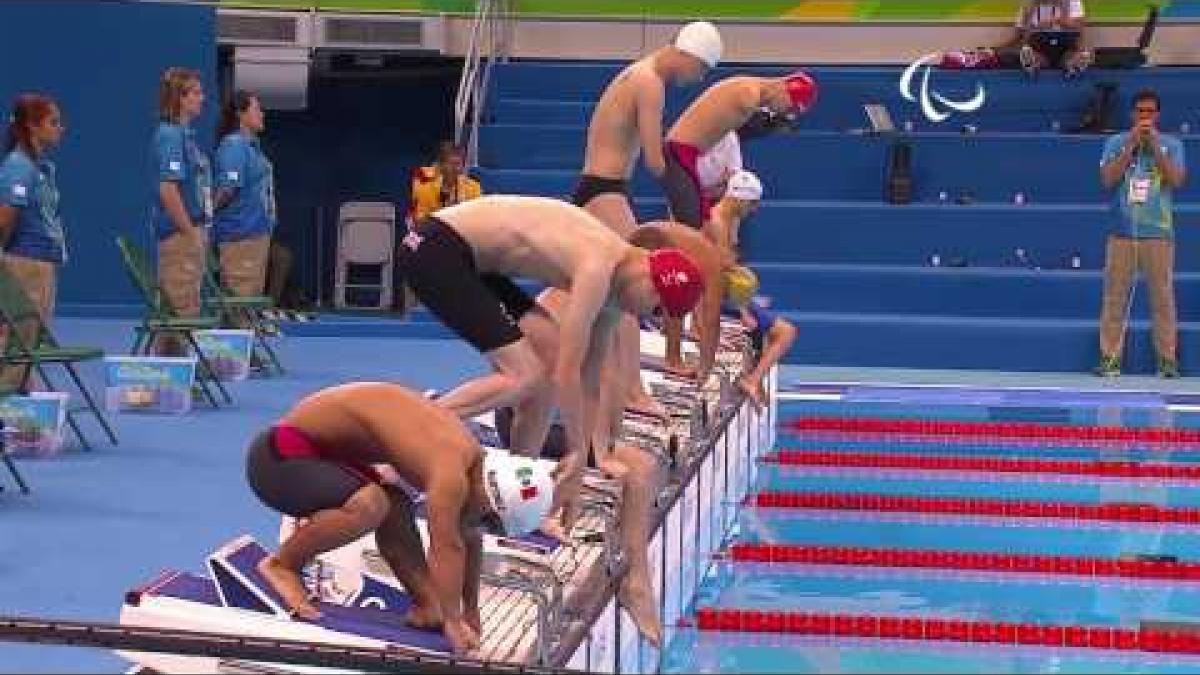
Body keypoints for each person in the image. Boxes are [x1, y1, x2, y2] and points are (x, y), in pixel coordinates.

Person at [395, 196, 710, 537]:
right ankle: (406, 432)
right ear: (650, 281)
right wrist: (576, 457)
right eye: (656, 308)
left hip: (470, 260)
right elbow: (568, 372)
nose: (647, 316)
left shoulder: (616, 289)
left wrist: (594, 453)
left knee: (543, 367)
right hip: (433, 249)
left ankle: (517, 497)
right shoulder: (597, 267)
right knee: (524, 376)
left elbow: (591, 379)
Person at [246, 381, 553, 655]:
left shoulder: (476, 467)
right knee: (372, 504)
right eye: (489, 520)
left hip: (323, 457)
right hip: (278, 457)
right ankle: (282, 565)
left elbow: (469, 537)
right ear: (490, 494)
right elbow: (447, 546)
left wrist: (470, 611)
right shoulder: (449, 468)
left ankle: (425, 604)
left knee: (396, 506)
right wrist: (454, 620)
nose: (482, 525)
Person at [573, 20, 721, 420]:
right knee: (630, 290)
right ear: (688, 54)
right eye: (702, 70)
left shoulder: (638, 73)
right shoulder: (650, 82)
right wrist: (692, 192)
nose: (698, 79)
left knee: (613, 292)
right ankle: (633, 391)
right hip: (605, 189)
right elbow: (657, 160)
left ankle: (611, 378)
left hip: (602, 186)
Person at [1096, 89, 1187, 378]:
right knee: (1114, 298)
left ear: (1157, 115)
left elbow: (1176, 179)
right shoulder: (1115, 142)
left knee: (1162, 298)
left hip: (1158, 234)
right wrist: (1131, 146)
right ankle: (1110, 359)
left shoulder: (1172, 145)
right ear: (1132, 114)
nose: (1144, 116)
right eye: (1140, 111)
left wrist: (1155, 147)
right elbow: (1108, 179)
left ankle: (1167, 361)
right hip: (1121, 232)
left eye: (1149, 112)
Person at [663, 71, 817, 230]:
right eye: (790, 108)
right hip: (680, 153)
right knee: (692, 228)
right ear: (784, 90)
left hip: (684, 154)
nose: (786, 112)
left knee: (697, 227)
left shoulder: (748, 91)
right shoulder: (748, 96)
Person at [0, 94, 67, 388]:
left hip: (43, 263)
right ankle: (10, 406)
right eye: (53, 123)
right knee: (20, 341)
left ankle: (21, 401)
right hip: (25, 264)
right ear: (31, 127)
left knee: (29, 339)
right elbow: (4, 219)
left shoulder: (41, 167)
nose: (60, 128)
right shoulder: (18, 166)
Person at [151, 67, 212, 355]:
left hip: (192, 229)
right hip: (179, 234)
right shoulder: (170, 137)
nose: (203, 97)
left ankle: (172, 376)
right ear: (180, 98)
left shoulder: (185, 136)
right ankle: (167, 376)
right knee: (179, 308)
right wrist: (189, 233)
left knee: (186, 304)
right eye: (197, 92)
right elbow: (168, 190)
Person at [213, 90, 276, 307]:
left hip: (256, 234)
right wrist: (206, 215)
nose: (263, 114)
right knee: (239, 304)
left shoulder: (252, 147)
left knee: (248, 305)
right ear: (241, 113)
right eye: (257, 109)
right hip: (240, 236)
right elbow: (228, 190)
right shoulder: (234, 145)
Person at [408, 141, 482, 225]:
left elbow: (476, 219)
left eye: (460, 164)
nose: (457, 169)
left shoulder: (473, 187)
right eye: (453, 164)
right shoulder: (425, 186)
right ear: (440, 165)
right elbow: (420, 220)